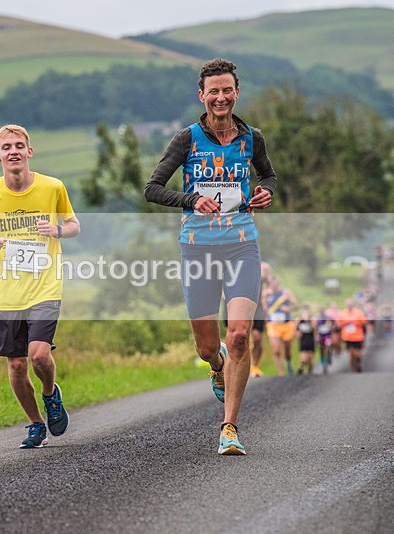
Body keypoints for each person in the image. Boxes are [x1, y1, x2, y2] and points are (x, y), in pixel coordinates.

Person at [144, 58, 276, 455]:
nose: (221, 97)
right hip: (198, 248)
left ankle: (229, 427)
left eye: (227, 90)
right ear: (202, 95)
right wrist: (191, 200)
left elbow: (268, 175)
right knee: (207, 347)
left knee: (239, 335)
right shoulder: (186, 139)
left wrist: (266, 191)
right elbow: (152, 188)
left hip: (242, 245)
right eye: (213, 91)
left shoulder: (252, 138)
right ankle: (217, 366)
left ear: (237, 93)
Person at [0, 124, 80, 449]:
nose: (14, 152)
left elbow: (74, 225)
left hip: (45, 286)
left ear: (29, 152)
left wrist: (56, 230)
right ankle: (36, 423)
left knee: (38, 355)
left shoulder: (53, 187)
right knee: (17, 364)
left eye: (19, 146)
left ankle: (50, 393)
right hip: (6, 292)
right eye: (7, 147)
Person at [264, 276, 298, 376]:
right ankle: (281, 373)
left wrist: (288, 308)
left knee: (287, 349)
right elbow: (262, 307)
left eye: (276, 284)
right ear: (270, 284)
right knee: (276, 350)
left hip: (286, 324)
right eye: (272, 284)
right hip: (273, 325)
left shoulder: (286, 293)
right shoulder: (266, 294)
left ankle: (288, 362)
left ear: (278, 284)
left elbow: (296, 306)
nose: (274, 286)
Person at [249, 261, 272, 377]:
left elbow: (270, 286)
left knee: (257, 338)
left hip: (259, 307)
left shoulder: (264, 267)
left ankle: (255, 365)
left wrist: (267, 293)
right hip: (245, 305)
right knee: (242, 337)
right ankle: (244, 365)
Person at [338, 298, 368, 373]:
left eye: (350, 304)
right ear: (346, 305)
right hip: (347, 337)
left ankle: (358, 363)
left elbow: (364, 322)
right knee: (351, 353)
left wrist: (356, 324)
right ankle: (353, 368)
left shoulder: (358, 312)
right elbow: (339, 324)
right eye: (348, 304)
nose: (349, 305)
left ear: (353, 304)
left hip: (358, 336)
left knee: (357, 354)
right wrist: (345, 324)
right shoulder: (343, 313)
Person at [295, 305, 316, 375]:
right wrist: (297, 333)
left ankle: (310, 373)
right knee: (304, 359)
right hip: (303, 341)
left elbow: (315, 329)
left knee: (310, 359)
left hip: (310, 341)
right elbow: (295, 330)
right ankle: (301, 368)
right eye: (304, 312)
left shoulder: (312, 319)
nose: (305, 314)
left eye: (307, 312)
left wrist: (309, 321)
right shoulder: (299, 320)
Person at [316, 305, 335, 374]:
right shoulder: (317, 319)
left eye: (322, 310)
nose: (321, 311)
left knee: (328, 346)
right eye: (320, 310)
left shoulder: (327, 318)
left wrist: (331, 333)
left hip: (327, 336)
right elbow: (315, 328)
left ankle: (329, 355)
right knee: (321, 350)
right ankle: (324, 365)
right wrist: (316, 336)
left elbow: (331, 326)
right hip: (320, 336)